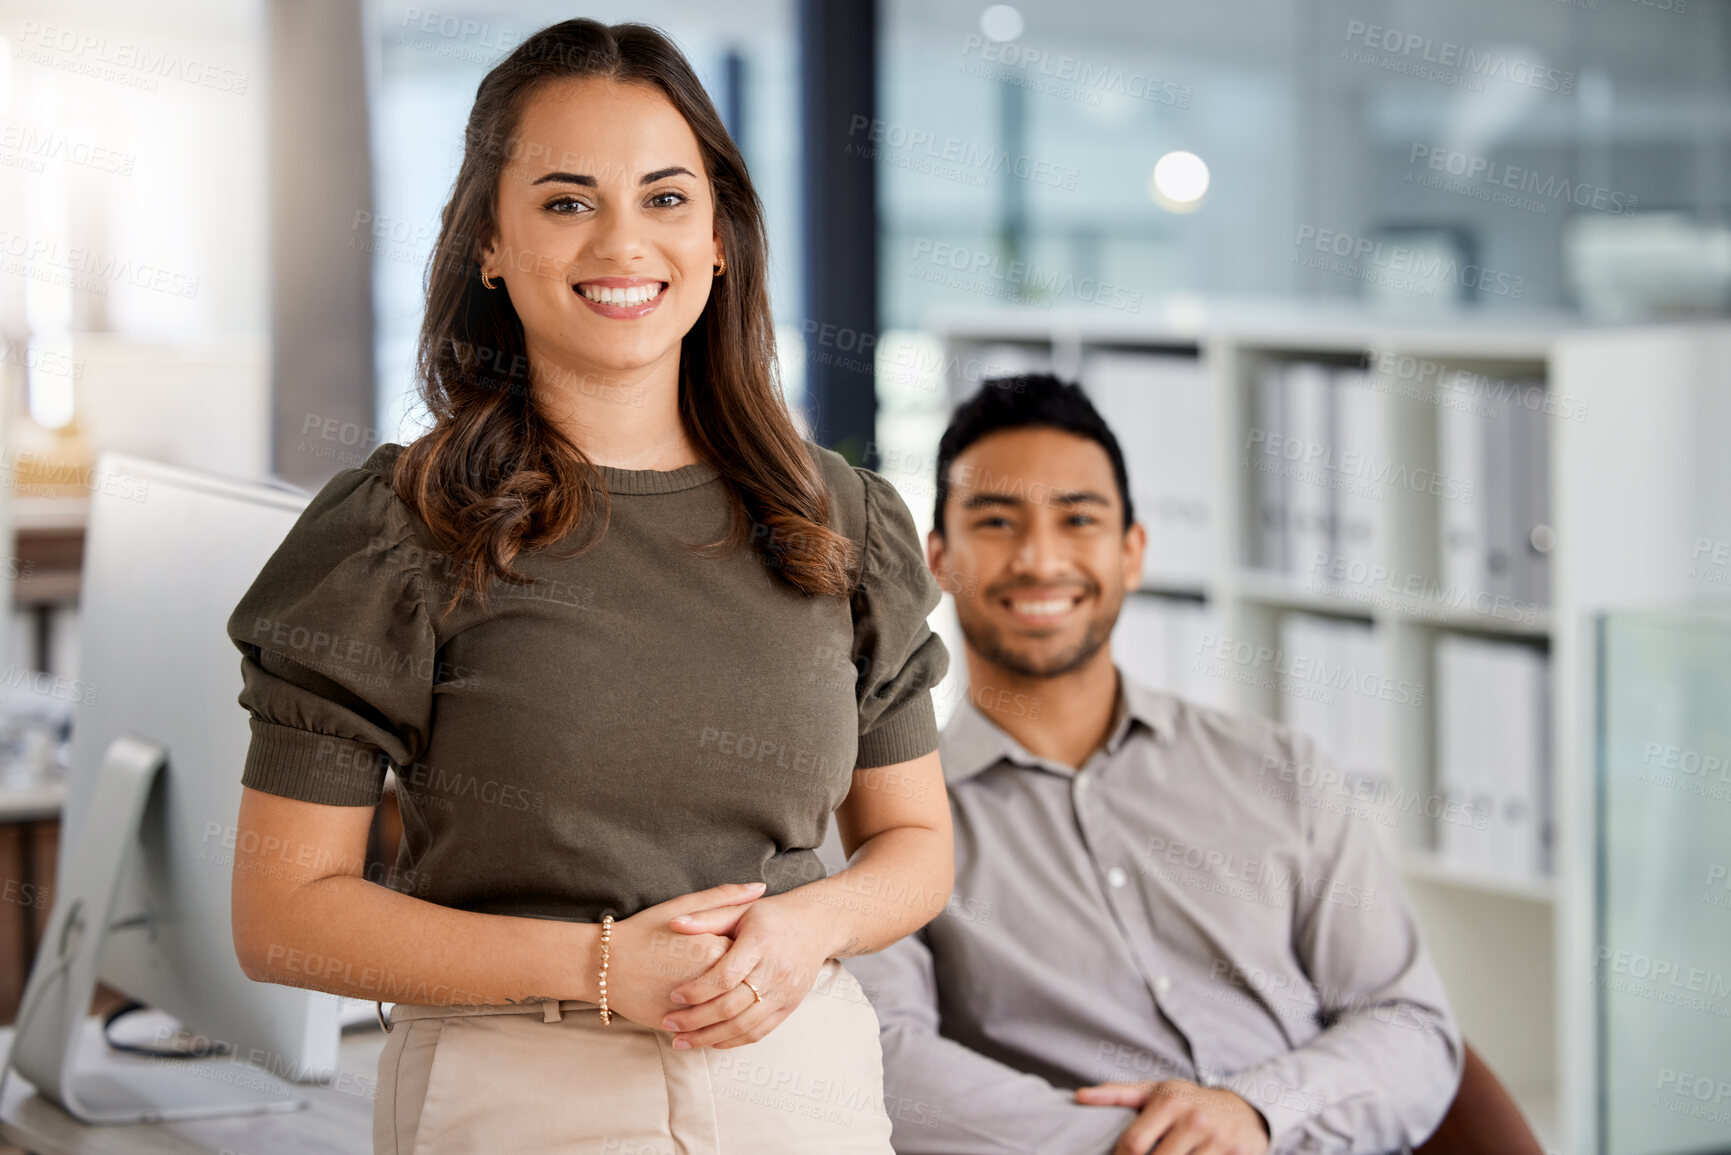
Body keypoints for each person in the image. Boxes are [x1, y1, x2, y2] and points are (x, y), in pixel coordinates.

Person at [225, 19, 952, 1154]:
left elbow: (914, 844)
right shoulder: (395, 531)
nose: (624, 242)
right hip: (518, 1087)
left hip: (800, 1084)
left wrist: (810, 929)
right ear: (491, 243)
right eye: (567, 202)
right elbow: (284, 915)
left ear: (719, 239)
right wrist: (603, 968)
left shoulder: (841, 518)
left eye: (666, 198)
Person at [840, 375, 1462, 1155]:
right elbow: (888, 1064)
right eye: (996, 522)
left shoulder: (1280, 771)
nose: (1038, 558)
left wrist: (1253, 1113)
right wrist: (1157, 1144)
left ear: (1130, 552)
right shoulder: (890, 818)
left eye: (1078, 519)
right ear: (940, 560)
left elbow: (1409, 1023)